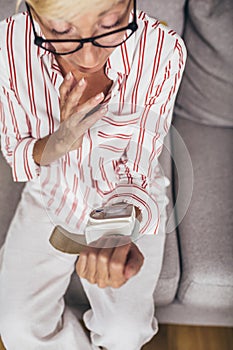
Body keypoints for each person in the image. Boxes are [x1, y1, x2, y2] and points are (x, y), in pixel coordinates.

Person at [0, 0, 186, 349]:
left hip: (127, 192)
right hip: (49, 190)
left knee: (125, 332)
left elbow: (142, 159)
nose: (88, 58)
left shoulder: (162, 49)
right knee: (16, 326)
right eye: (60, 32)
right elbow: (18, 152)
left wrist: (117, 225)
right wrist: (61, 140)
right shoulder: (8, 48)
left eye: (111, 23)